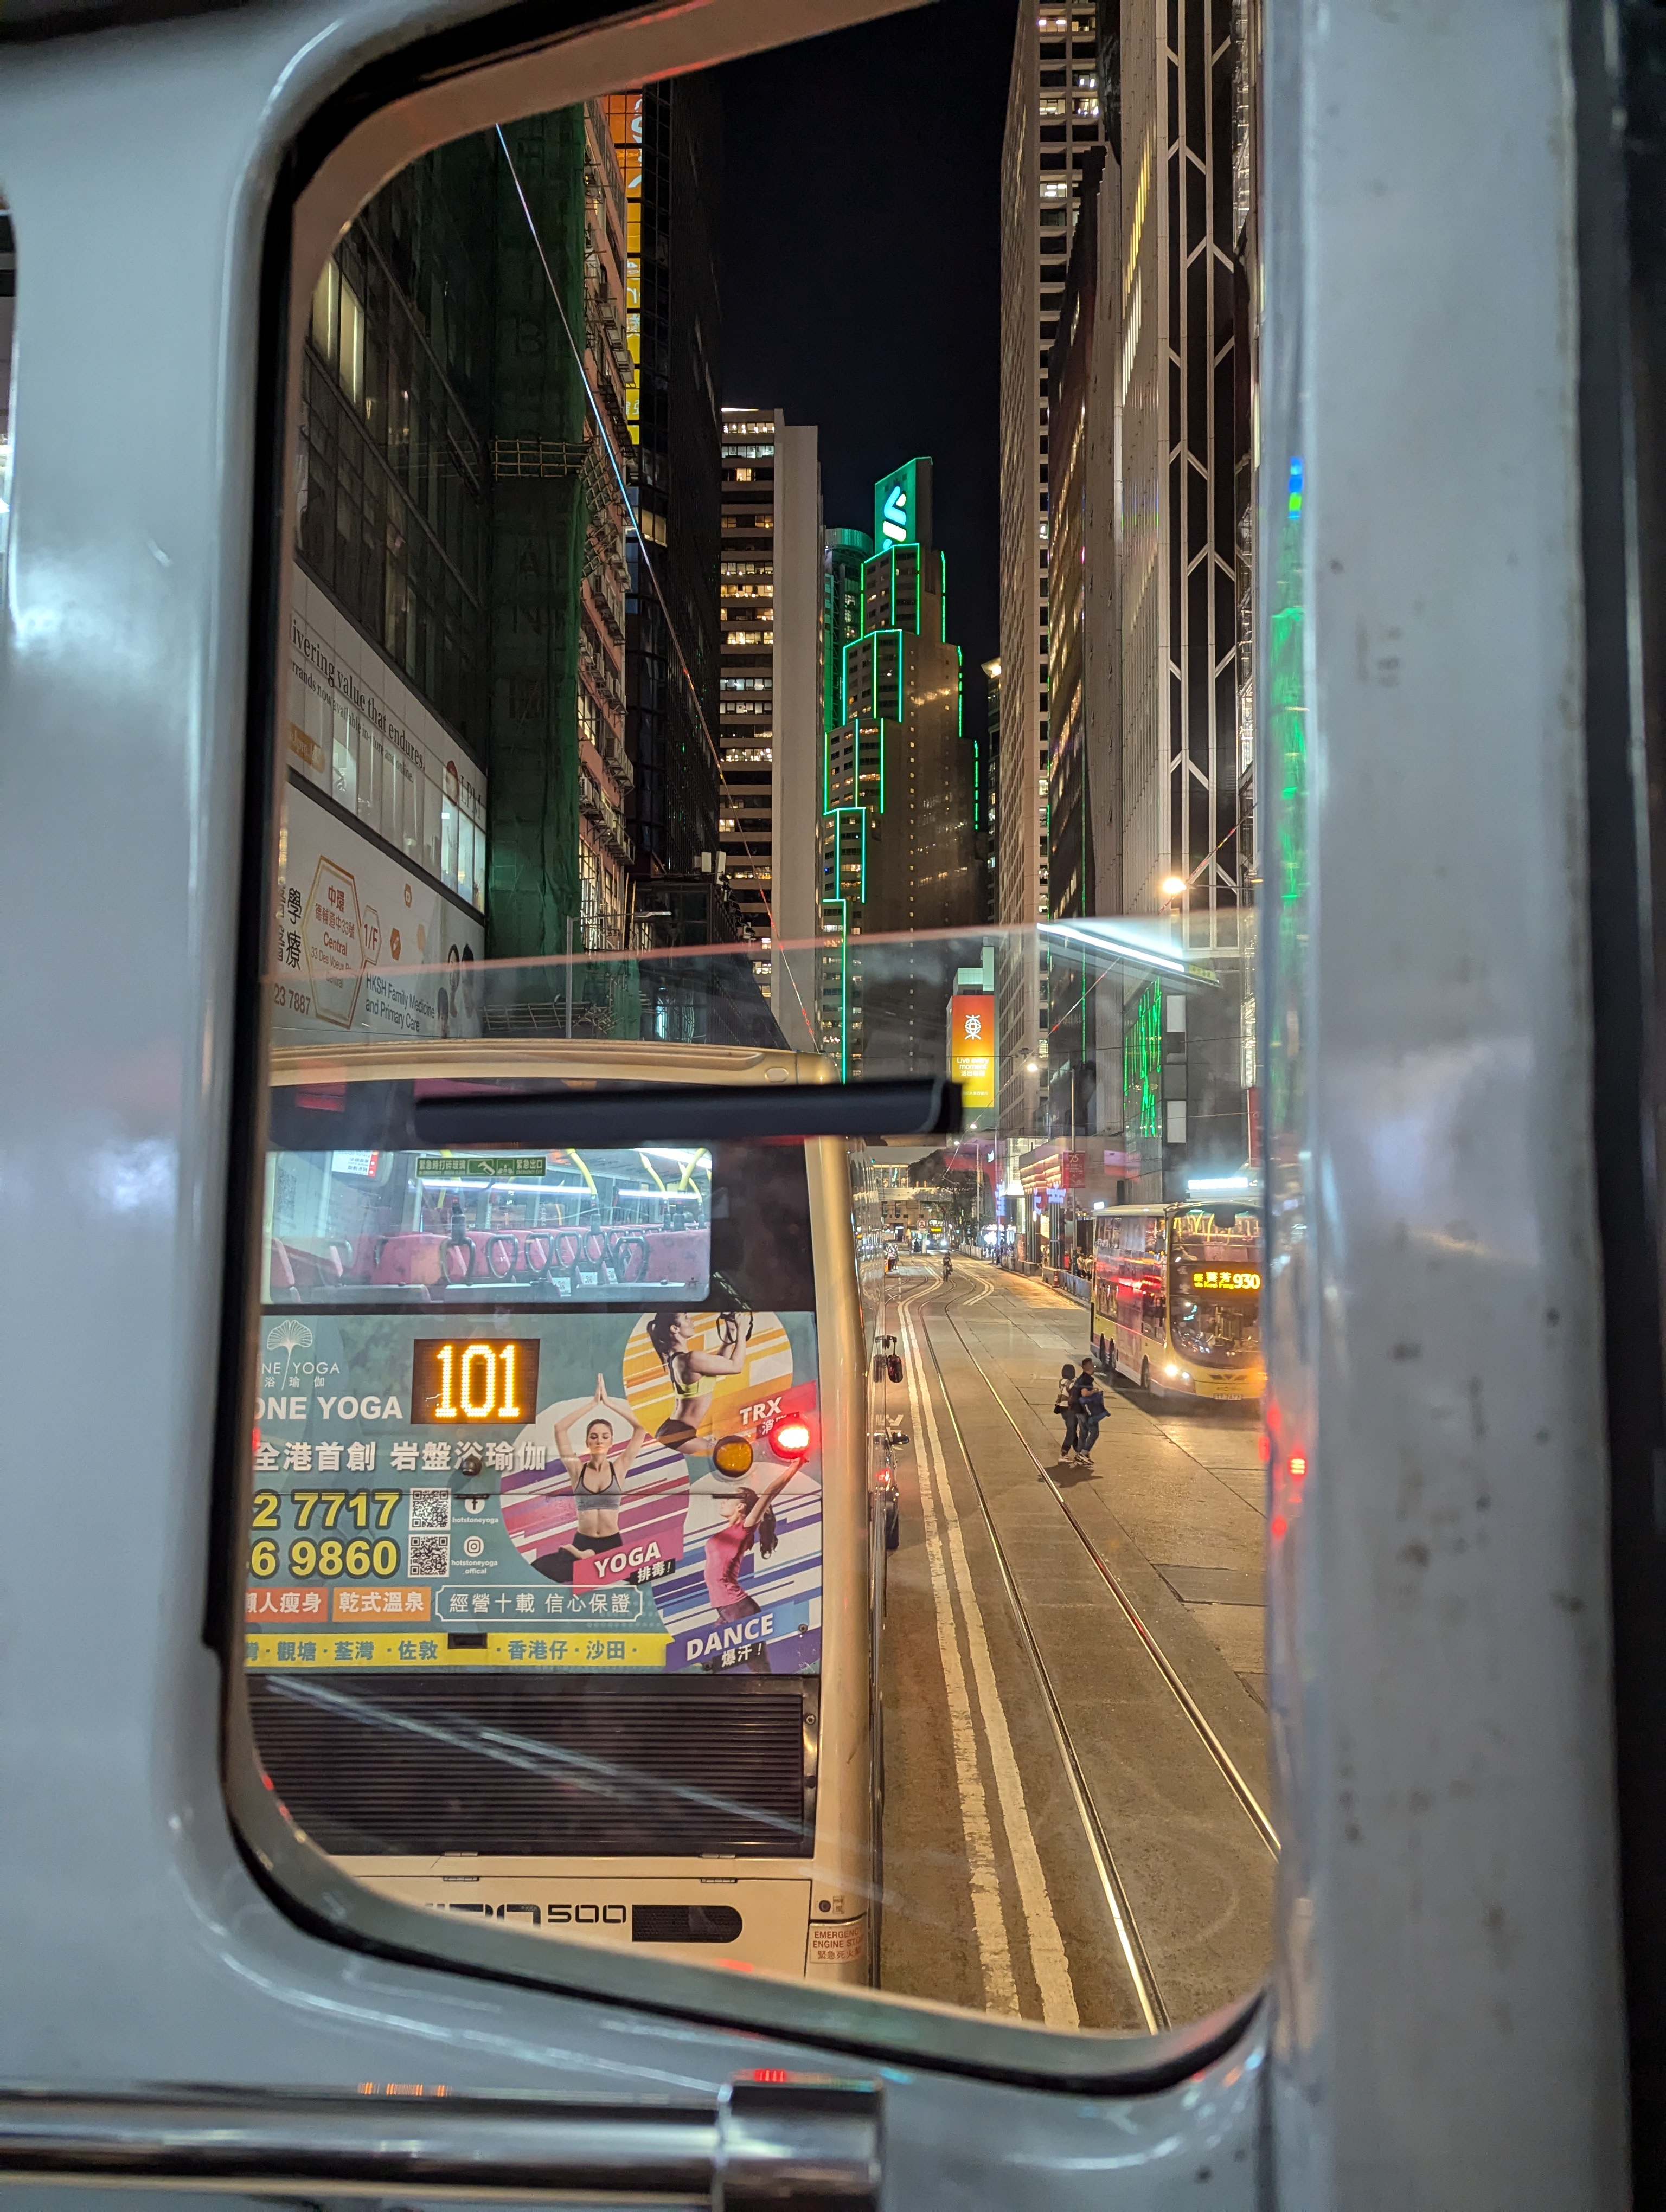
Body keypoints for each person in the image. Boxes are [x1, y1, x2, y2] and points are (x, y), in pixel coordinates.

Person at [533, 1373, 650, 1584]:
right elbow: (560, 1428)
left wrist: (609, 1403)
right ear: (587, 1442)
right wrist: (593, 1404)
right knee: (541, 1568)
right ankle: (584, 1557)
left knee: (636, 1577)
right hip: (583, 1541)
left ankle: (587, 1558)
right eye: (594, 1437)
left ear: (612, 1442)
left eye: (605, 1437)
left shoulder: (619, 1468)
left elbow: (641, 1428)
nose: (599, 1441)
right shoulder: (577, 1469)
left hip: (611, 1543)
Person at [701, 1467, 796, 1674]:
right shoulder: (727, 1532)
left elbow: (771, 1491)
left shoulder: (744, 1528)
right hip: (726, 1608)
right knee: (708, 1660)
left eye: (729, 1498)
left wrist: (796, 1466)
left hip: (737, 1607)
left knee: (758, 1666)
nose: (723, 1501)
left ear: (741, 1506)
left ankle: (771, 1692)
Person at [645, 1308, 751, 1450]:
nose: (692, 1320)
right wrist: (741, 1331)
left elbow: (720, 1363)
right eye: (686, 1317)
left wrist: (730, 1332)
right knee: (724, 1452)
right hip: (678, 1434)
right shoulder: (691, 1359)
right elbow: (736, 1367)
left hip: (672, 1429)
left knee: (722, 1451)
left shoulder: (677, 1359)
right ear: (675, 1329)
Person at [1071, 1357, 1108, 1463]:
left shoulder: (1081, 1378)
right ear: (1089, 1367)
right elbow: (1085, 1393)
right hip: (1085, 1410)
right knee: (1095, 1432)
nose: (1094, 1368)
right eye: (1093, 1366)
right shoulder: (1086, 1379)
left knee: (1084, 1432)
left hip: (1077, 1410)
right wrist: (1095, 1391)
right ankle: (1084, 1452)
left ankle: (1080, 1455)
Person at [1054, 1364, 1080, 1459]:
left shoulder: (1062, 1381)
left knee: (1072, 1430)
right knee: (1071, 1431)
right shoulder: (1072, 1383)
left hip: (1063, 1408)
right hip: (1070, 1409)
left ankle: (1080, 1452)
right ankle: (1064, 1453)